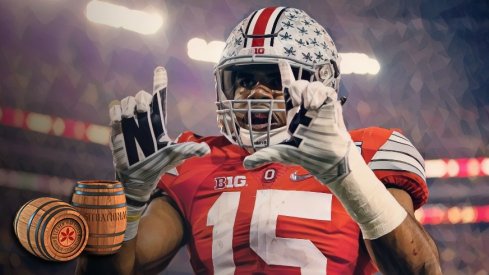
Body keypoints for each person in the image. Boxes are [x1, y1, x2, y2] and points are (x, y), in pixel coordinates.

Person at [77, 7, 441, 275]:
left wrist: (348, 175)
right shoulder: (197, 158)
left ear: (320, 81)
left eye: (274, 77)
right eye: (245, 80)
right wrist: (127, 202)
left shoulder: (368, 151)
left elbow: (420, 271)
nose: (256, 93)